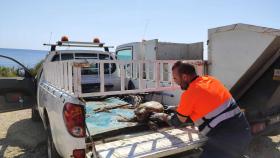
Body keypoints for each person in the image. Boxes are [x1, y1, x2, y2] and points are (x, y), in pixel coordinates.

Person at [150, 61, 252, 158]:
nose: (175, 81)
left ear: (184, 77)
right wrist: (180, 108)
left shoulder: (189, 94)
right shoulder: (211, 80)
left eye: (175, 78)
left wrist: (163, 116)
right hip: (244, 131)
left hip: (227, 140)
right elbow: (206, 106)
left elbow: (177, 122)